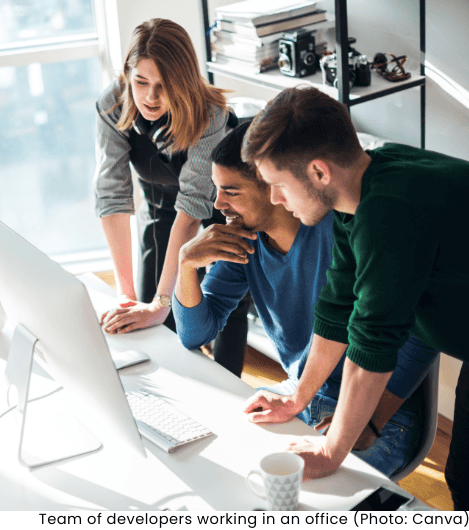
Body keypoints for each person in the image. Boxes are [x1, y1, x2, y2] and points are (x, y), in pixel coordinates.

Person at [239, 85, 469, 506]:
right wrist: (297, 398)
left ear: (319, 173)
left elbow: (372, 346)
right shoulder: (361, 194)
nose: (273, 199)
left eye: (278, 185)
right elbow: (336, 310)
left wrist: (330, 451)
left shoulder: (391, 215)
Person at [173, 122, 438, 477]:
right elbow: (194, 334)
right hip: (299, 394)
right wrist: (186, 264)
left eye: (231, 192)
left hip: (374, 414)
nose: (218, 204)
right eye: (217, 190)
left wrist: (367, 424)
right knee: (210, 460)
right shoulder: (243, 242)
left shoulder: (343, 231)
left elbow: (423, 333)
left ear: (274, 187)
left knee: (298, 499)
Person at [93, 18, 249, 376]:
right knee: (151, 315)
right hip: (160, 204)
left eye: (164, 86)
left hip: (215, 209)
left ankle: (225, 387)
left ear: (184, 82)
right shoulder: (111, 105)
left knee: (220, 304)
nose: (150, 96)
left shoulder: (211, 115)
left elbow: (193, 208)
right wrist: (127, 297)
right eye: (141, 82)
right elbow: (112, 194)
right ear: (127, 76)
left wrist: (163, 302)